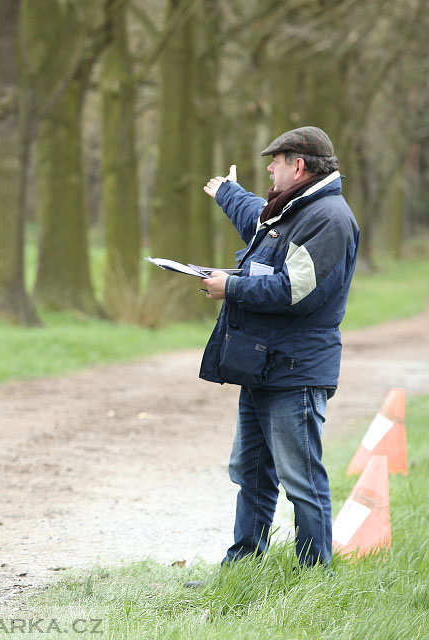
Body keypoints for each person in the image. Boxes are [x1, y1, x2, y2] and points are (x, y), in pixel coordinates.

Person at [198, 126, 359, 568]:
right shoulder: (292, 210)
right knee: (250, 472)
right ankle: (243, 567)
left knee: (301, 479)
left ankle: (313, 579)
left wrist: (230, 287)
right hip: (263, 364)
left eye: (276, 162)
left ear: (299, 166)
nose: (270, 168)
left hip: (296, 369)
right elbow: (259, 221)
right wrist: (228, 192)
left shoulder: (329, 219)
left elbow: (294, 292)